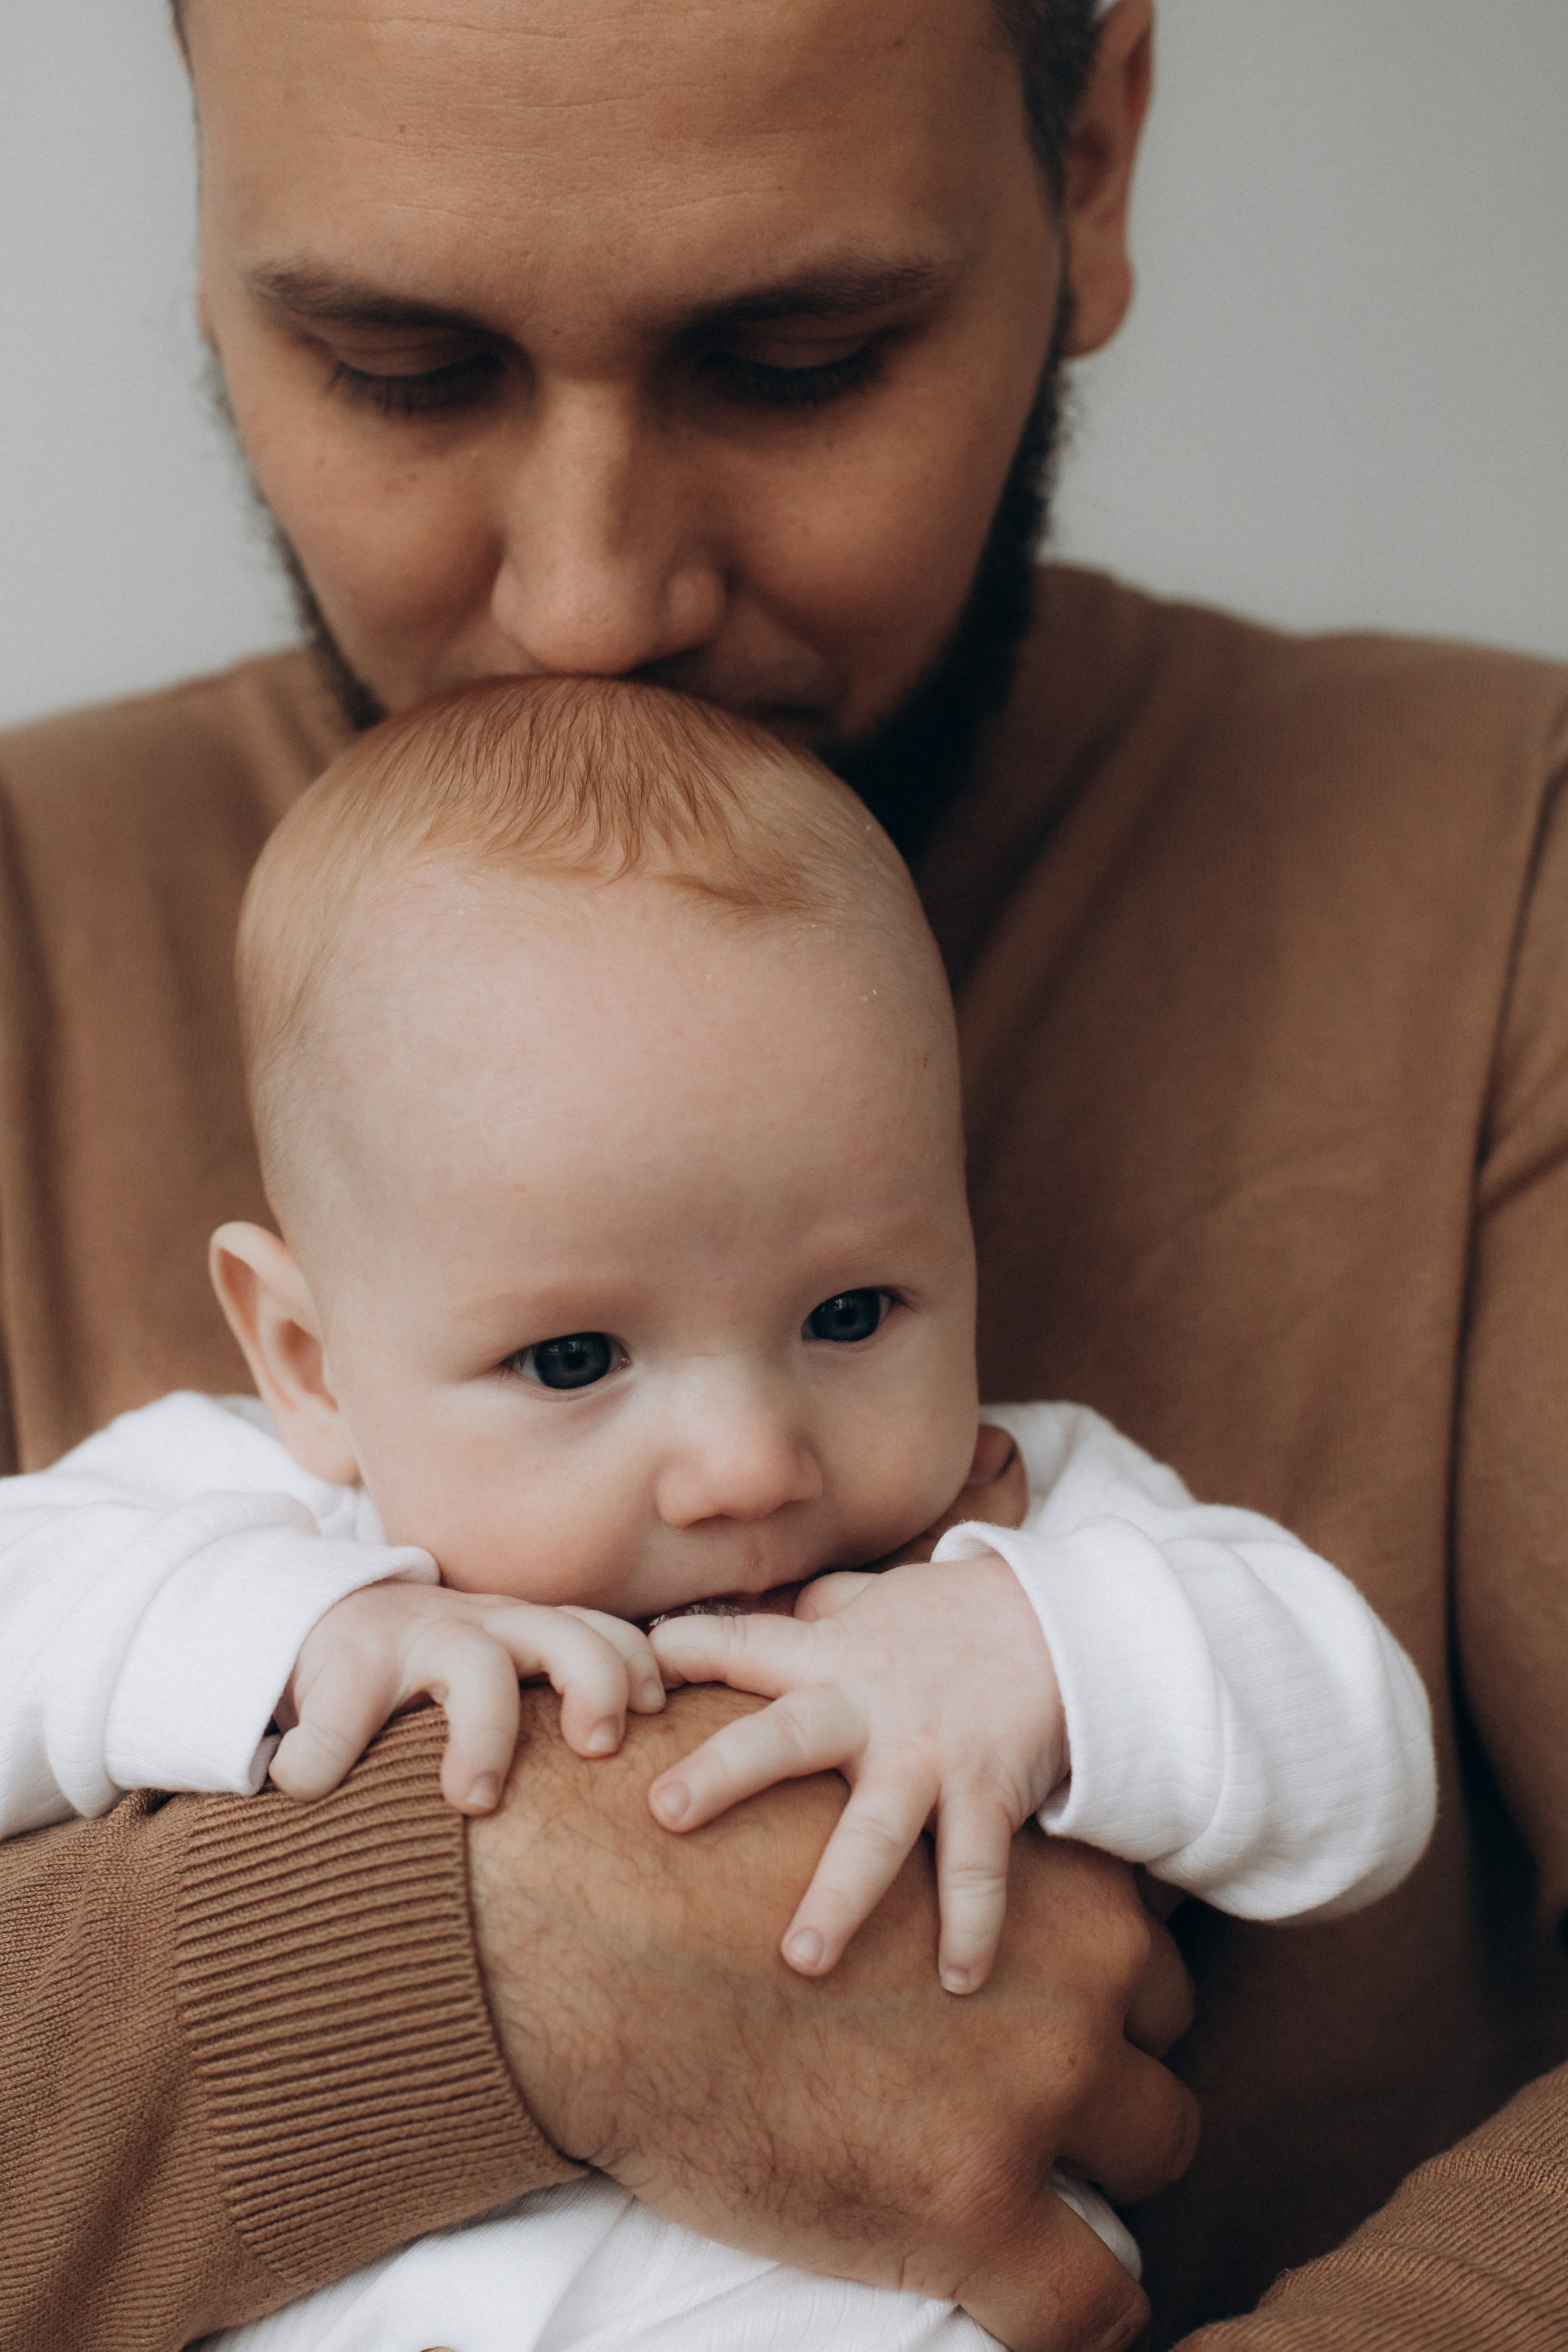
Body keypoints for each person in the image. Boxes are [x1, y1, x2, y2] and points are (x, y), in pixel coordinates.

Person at [2, 0, 1567, 2347]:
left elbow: (1315, 1727)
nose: (591, 601)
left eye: (798, 356)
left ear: (1095, 165)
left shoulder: (1507, 879)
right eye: (402, 368)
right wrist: (467, 1955)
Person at [0, 675, 1434, 2352]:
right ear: (312, 1360)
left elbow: (1366, 1764)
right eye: (575, 1356)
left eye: (851, 1314)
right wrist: (287, 1636)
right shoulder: (265, 1519)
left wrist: (1041, 1658)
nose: (752, 1460)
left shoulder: (1008, 1526)